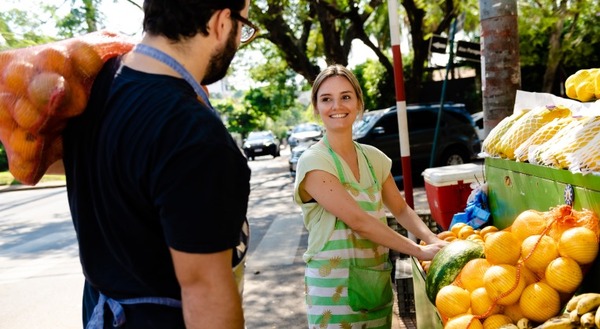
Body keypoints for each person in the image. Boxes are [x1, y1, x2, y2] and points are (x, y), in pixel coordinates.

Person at [54, 0, 259, 328]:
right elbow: (204, 294)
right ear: (221, 23)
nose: (238, 40)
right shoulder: (193, 134)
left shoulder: (94, 87)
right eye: (243, 28)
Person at [293, 64, 448, 328]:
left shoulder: (373, 158)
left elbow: (401, 210)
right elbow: (359, 222)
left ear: (358, 103)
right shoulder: (314, 162)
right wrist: (419, 251)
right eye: (326, 99)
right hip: (333, 293)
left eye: (345, 96)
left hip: (374, 283)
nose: (337, 106)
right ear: (317, 108)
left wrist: (433, 240)